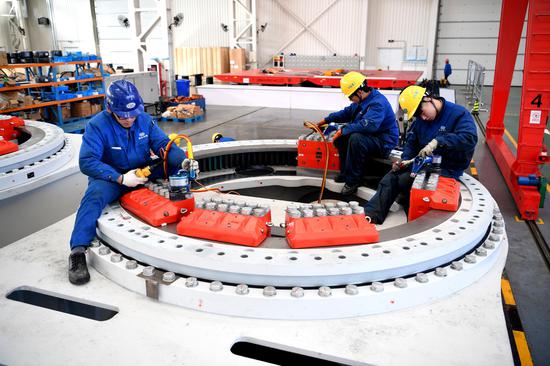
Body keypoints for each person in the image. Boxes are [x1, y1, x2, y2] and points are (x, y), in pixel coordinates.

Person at [68, 80, 188, 285]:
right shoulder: (97, 126)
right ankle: (77, 252)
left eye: (133, 114)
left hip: (142, 172)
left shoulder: (143, 119)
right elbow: (87, 161)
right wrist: (121, 178)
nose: (130, 119)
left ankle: (184, 200)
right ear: (110, 108)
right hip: (112, 177)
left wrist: (182, 159)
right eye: (124, 116)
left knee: (178, 165)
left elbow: (161, 143)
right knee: (93, 196)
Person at [363, 85, 477, 224]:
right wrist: (404, 160)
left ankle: (411, 219)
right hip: (425, 163)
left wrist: (439, 141)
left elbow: (469, 138)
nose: (422, 117)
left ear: (428, 99)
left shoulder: (459, 114)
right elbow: (411, 142)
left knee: (405, 180)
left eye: (421, 112)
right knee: (391, 177)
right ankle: (370, 216)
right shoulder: (422, 120)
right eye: (418, 115)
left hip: (448, 168)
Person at [317, 71, 399, 196]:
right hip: (372, 137)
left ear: (359, 92)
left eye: (350, 96)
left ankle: (353, 181)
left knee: (356, 138)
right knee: (343, 137)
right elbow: (346, 112)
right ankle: (345, 173)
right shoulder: (361, 101)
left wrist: (343, 130)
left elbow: (369, 126)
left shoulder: (377, 103)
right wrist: (327, 119)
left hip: (384, 142)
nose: (350, 99)